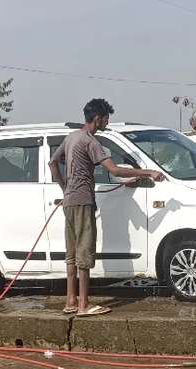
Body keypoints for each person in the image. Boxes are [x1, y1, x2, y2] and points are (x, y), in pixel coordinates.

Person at [48, 99, 165, 317]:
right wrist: (148, 172)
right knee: (84, 252)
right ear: (97, 119)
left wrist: (65, 190)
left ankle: (71, 301)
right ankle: (84, 305)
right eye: (106, 118)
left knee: (71, 254)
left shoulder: (72, 137)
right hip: (82, 201)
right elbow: (115, 170)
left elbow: (53, 163)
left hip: (70, 201)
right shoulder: (91, 142)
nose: (107, 121)